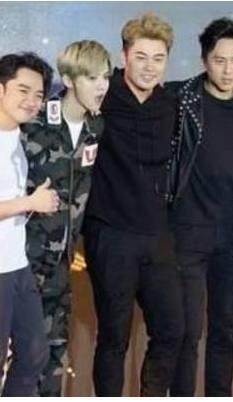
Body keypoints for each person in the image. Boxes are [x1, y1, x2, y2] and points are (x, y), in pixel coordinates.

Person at [165, 17, 233, 396]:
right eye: (219, 60)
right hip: (186, 232)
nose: (228, 70)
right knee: (186, 331)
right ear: (204, 60)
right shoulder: (179, 99)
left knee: (225, 330)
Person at [82, 13, 179, 396]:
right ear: (124, 56)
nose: (149, 66)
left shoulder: (171, 104)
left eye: (158, 58)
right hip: (110, 233)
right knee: (114, 337)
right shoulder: (102, 97)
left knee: (171, 330)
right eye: (141, 57)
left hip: (158, 235)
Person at [20, 40, 111, 397]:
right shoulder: (34, 119)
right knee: (18, 353)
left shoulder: (96, 126)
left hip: (61, 263)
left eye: (105, 77)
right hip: (19, 259)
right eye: (92, 77)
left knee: (54, 350)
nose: (101, 86)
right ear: (70, 80)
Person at [0, 52, 57, 396]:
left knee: (34, 354)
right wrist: (30, 203)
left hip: (16, 265)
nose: (32, 101)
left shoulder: (18, 138)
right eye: (23, 90)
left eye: (38, 94)